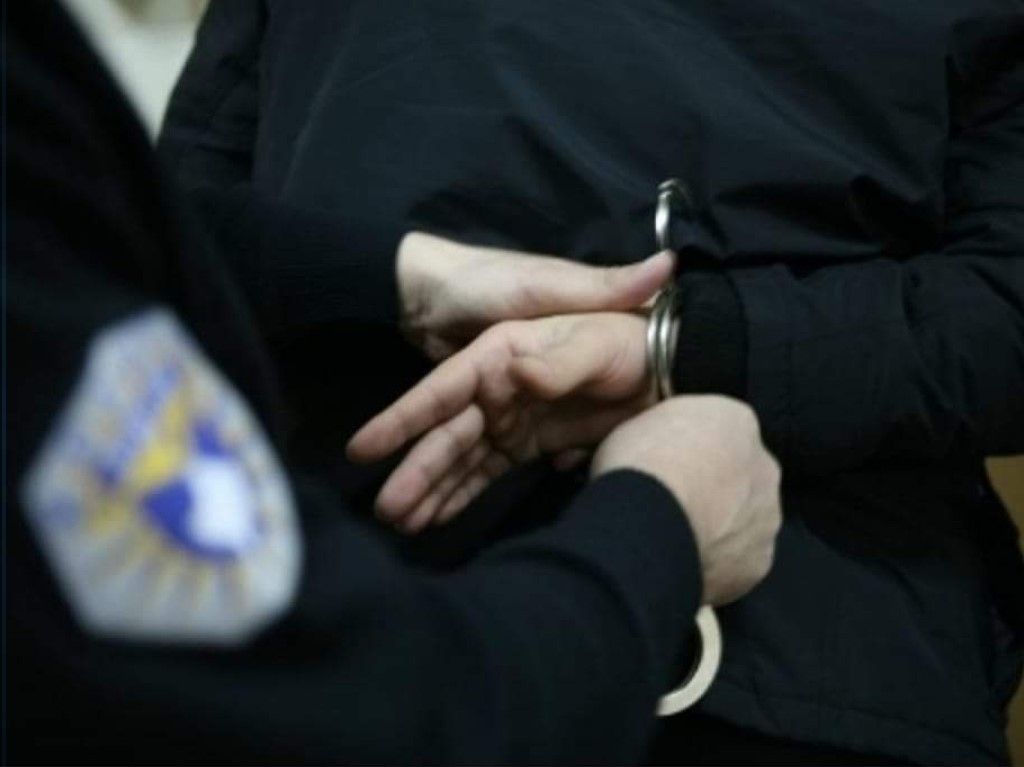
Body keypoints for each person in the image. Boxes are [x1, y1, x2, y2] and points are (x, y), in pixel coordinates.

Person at [159, 0, 1024, 763]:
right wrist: (405, 279)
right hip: (371, 637)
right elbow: (163, 255)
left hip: (779, 656)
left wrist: (682, 347)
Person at [6, 3, 783, 763]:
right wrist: (660, 530)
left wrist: (396, 275)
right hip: (488, 621)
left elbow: (139, 236)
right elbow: (367, 716)